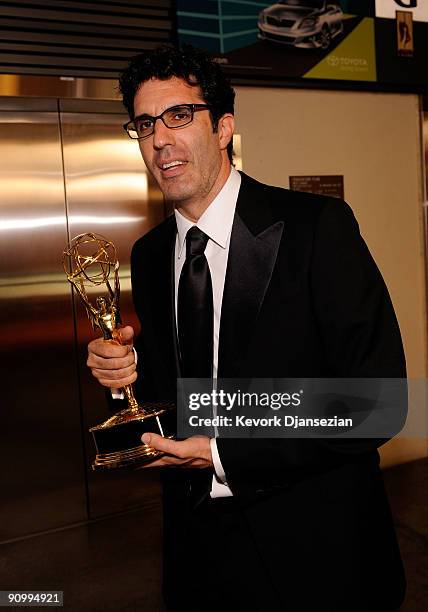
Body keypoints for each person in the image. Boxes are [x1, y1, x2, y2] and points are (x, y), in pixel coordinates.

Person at [87, 45, 407, 611]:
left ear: (225, 126)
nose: (159, 138)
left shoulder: (315, 230)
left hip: (315, 552)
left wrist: (226, 451)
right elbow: (180, 396)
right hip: (198, 555)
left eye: (179, 116)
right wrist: (126, 378)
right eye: (143, 125)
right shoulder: (149, 253)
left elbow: (377, 401)